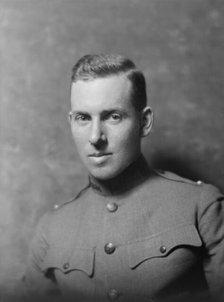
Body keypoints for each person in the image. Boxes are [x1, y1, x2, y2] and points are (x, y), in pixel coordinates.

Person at [24, 54, 224, 302]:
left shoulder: (201, 206)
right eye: (83, 118)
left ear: (145, 122)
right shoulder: (51, 228)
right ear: (71, 122)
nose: (95, 137)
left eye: (113, 116)